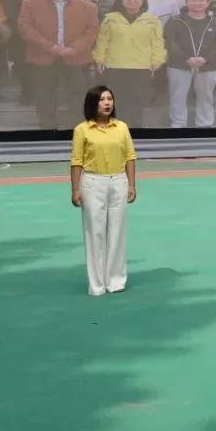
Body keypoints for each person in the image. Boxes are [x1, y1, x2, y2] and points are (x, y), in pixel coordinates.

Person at [70, 85, 136, 296]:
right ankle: (97, 285)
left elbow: (130, 157)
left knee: (117, 232)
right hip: (92, 183)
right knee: (95, 233)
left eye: (109, 99)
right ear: (93, 103)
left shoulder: (122, 127)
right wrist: (75, 189)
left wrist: (132, 184)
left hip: (118, 181)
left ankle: (115, 281)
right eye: (102, 99)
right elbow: (77, 161)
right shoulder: (82, 130)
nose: (107, 103)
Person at [18, 0, 99, 129]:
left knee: (77, 94)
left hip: (76, 58)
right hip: (42, 57)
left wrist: (74, 49)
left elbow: (92, 31)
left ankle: (76, 128)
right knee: (44, 94)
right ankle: (47, 127)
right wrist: (50, 47)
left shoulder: (88, 7)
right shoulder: (30, 3)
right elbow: (26, 28)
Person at [93, 0, 166, 128]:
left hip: (141, 66)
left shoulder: (152, 19)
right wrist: (99, 59)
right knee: (115, 100)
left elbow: (158, 42)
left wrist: (158, 60)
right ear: (121, 0)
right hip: (115, 65)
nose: (133, 0)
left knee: (137, 100)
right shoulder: (110, 18)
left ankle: (135, 130)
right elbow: (102, 41)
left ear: (143, 1)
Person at [164, 0, 216, 128]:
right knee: (177, 95)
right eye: (193, 0)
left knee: (206, 96)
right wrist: (186, 58)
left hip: (208, 66)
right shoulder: (175, 21)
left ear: (207, 4)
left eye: (201, 1)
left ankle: (205, 124)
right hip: (179, 65)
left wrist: (205, 59)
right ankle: (178, 123)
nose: (197, 3)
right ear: (186, 3)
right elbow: (170, 42)